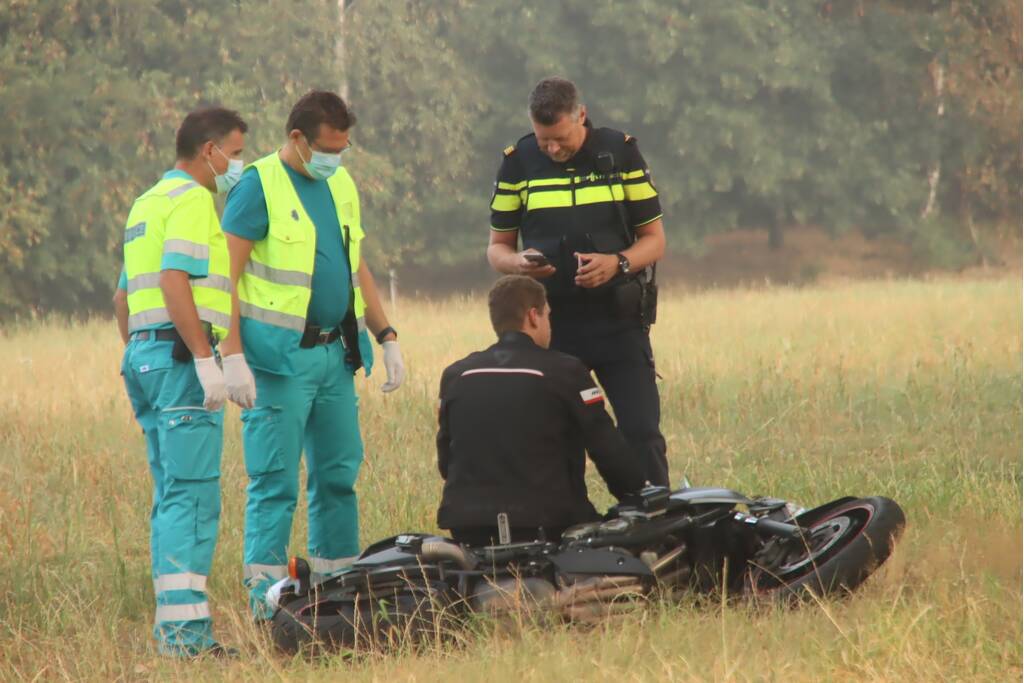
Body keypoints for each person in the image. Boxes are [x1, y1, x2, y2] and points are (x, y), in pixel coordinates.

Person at [219, 90, 405, 620]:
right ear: (297, 138)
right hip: (279, 363)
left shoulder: (338, 182)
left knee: (338, 475)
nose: (336, 158)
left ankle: (337, 595)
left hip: (336, 356)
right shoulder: (258, 186)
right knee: (274, 482)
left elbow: (356, 263)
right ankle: (267, 605)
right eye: (328, 147)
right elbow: (222, 279)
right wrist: (230, 355)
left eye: (343, 148)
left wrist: (386, 333)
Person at [486, 77, 670, 486]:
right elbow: (497, 248)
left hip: (619, 323)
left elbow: (654, 241)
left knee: (641, 434)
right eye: (543, 139)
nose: (551, 149)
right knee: (554, 439)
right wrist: (517, 262)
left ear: (581, 116)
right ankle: (561, 536)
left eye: (561, 138)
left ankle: (658, 530)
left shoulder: (620, 152)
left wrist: (618, 263)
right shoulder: (517, 162)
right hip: (550, 329)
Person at [114, 106, 250, 657]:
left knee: (171, 495)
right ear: (210, 149)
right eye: (236, 153)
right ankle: (185, 639)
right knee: (192, 499)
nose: (238, 165)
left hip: (144, 358)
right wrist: (202, 357)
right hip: (177, 361)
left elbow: (123, 298)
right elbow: (175, 280)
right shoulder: (194, 200)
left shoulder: (147, 201)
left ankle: (174, 632)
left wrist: (140, 353)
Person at [436, 275, 646, 545]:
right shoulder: (566, 371)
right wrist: (639, 498)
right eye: (548, 315)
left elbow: (446, 461)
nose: (549, 325)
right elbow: (608, 450)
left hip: (469, 528)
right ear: (533, 316)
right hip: (549, 526)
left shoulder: (456, 374)